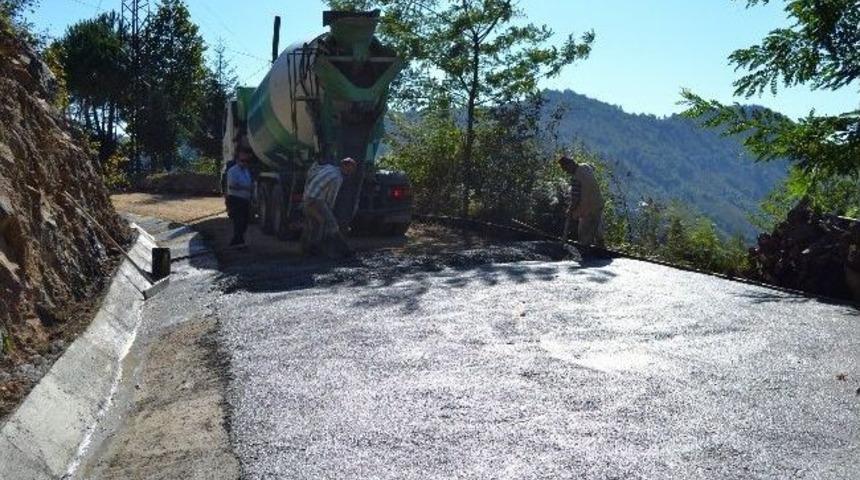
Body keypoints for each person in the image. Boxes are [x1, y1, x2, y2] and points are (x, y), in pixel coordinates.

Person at [301, 157, 357, 257]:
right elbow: (331, 198)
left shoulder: (329, 167)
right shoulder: (337, 178)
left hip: (307, 196)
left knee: (316, 223)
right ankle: (343, 249)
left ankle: (309, 248)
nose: (350, 171)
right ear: (345, 166)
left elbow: (313, 170)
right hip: (316, 200)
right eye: (350, 168)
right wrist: (329, 212)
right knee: (332, 224)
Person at [558, 155, 605, 247]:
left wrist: (570, 210)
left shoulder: (575, 179)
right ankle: (601, 249)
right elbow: (592, 167)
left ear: (570, 164)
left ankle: (586, 252)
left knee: (584, 236)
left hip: (588, 210)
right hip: (598, 204)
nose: (566, 172)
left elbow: (575, 199)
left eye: (565, 169)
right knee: (597, 231)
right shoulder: (585, 166)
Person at [225, 146, 254, 247]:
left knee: (244, 222)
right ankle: (238, 242)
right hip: (235, 199)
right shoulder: (233, 171)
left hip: (245, 200)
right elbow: (232, 186)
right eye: (242, 161)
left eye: (247, 161)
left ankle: (236, 241)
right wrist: (246, 188)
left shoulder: (246, 171)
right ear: (237, 160)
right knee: (239, 221)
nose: (245, 163)